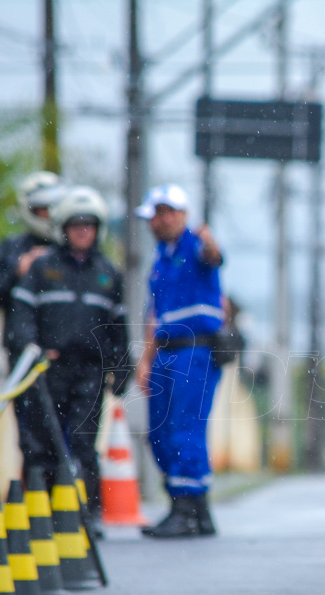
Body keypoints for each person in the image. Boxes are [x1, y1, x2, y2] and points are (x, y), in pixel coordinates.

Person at [9, 186, 129, 535]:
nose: (82, 230)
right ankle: (41, 517)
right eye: (75, 224)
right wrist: (30, 348)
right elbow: (22, 315)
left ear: (98, 229)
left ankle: (87, 516)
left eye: (88, 225)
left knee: (83, 444)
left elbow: (119, 328)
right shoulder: (42, 267)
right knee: (42, 444)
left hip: (89, 373)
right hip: (48, 372)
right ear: (63, 228)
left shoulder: (108, 273)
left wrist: (121, 367)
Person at [133, 184, 224, 539]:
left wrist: (210, 243)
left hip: (194, 351)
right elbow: (154, 315)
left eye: (169, 212)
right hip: (166, 353)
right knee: (159, 433)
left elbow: (213, 256)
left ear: (183, 215)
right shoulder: (160, 259)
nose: (162, 219)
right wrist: (145, 362)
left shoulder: (194, 246)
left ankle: (185, 510)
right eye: (156, 214)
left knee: (185, 429)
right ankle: (197, 510)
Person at [0, 171, 67, 478]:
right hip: (25, 352)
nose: (49, 215)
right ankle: (37, 504)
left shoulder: (70, 247)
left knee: (70, 434)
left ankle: (72, 506)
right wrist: (18, 271)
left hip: (65, 355)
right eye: (43, 209)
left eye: (54, 207)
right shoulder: (12, 248)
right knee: (31, 435)